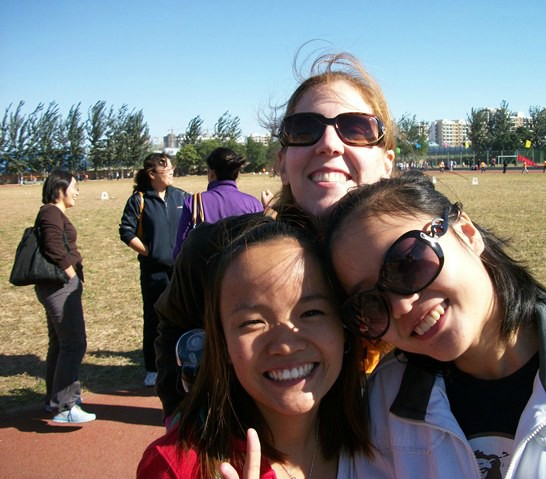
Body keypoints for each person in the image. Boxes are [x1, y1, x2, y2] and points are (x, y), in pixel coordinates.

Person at [324, 173, 546, 478]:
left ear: (467, 233)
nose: (401, 306)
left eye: (408, 263)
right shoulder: (382, 404)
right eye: (368, 303)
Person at [154, 51, 396, 423]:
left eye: (356, 128)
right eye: (304, 129)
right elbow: (174, 326)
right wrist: (186, 415)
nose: (329, 143)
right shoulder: (213, 250)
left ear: (387, 163)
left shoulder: (419, 260)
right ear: (282, 164)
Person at [137, 214, 371, 478]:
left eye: (311, 313)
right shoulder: (175, 468)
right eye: (252, 322)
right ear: (222, 343)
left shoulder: (385, 433)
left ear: (344, 328)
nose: (285, 345)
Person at [119, 153, 187, 387]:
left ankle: (182, 363)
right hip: (153, 272)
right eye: (167, 169)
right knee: (154, 318)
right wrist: (149, 252)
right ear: (151, 174)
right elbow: (126, 231)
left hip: (179, 270)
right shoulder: (138, 200)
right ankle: (152, 367)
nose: (172, 172)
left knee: (183, 316)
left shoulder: (181, 196)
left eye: (172, 168)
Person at [35, 170, 96, 423]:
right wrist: (72, 275)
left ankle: (54, 400)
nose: (77, 192)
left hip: (56, 286)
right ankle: (65, 405)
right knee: (73, 343)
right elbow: (54, 247)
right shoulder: (50, 212)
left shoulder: (52, 213)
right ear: (60, 189)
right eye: (74, 187)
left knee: (60, 344)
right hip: (60, 286)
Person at [173, 147, 263, 258]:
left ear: (211, 173)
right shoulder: (254, 204)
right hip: (243, 267)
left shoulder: (194, 203)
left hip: (205, 268)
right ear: (236, 173)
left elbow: (180, 252)